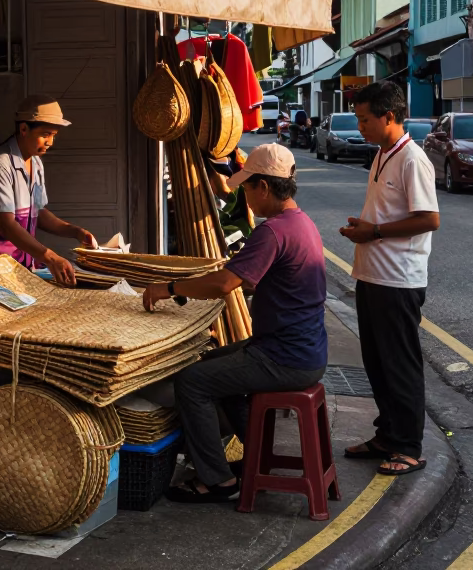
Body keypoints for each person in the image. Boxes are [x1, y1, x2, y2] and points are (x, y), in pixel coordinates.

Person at [144, 143, 327, 503]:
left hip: (285, 356)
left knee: (191, 381)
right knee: (211, 363)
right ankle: (256, 454)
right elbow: (255, 282)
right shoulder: (301, 223)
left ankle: (216, 481)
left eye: (245, 187)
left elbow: (226, 283)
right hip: (302, 348)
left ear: (263, 187)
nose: (244, 195)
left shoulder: (272, 231)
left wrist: (169, 288)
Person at [338, 82, 440, 476]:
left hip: (398, 279)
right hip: (373, 274)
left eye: (365, 119)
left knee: (400, 365)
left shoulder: (412, 159)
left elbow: (429, 219)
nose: (359, 126)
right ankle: (387, 433)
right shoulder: (383, 154)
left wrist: (374, 233)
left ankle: (409, 446)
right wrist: (366, 228)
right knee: (377, 364)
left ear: (390, 117)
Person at [0, 95, 97, 286]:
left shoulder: (36, 163)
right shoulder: (0, 165)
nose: (50, 142)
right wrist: (49, 257)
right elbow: (7, 225)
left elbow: (38, 213)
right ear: (24, 129)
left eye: (53, 136)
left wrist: (75, 232)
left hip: (20, 266)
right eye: (45, 134)